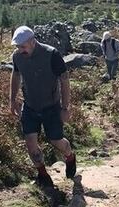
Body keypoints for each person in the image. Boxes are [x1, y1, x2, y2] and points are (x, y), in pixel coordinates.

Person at [9, 26, 77, 187]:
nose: (20, 50)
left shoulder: (51, 54)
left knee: (56, 140)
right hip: (30, 106)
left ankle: (70, 156)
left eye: (23, 46)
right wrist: (12, 99)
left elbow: (64, 80)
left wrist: (65, 108)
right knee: (30, 142)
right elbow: (16, 74)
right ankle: (43, 175)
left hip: (51, 106)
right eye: (17, 47)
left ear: (32, 41)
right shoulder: (17, 56)